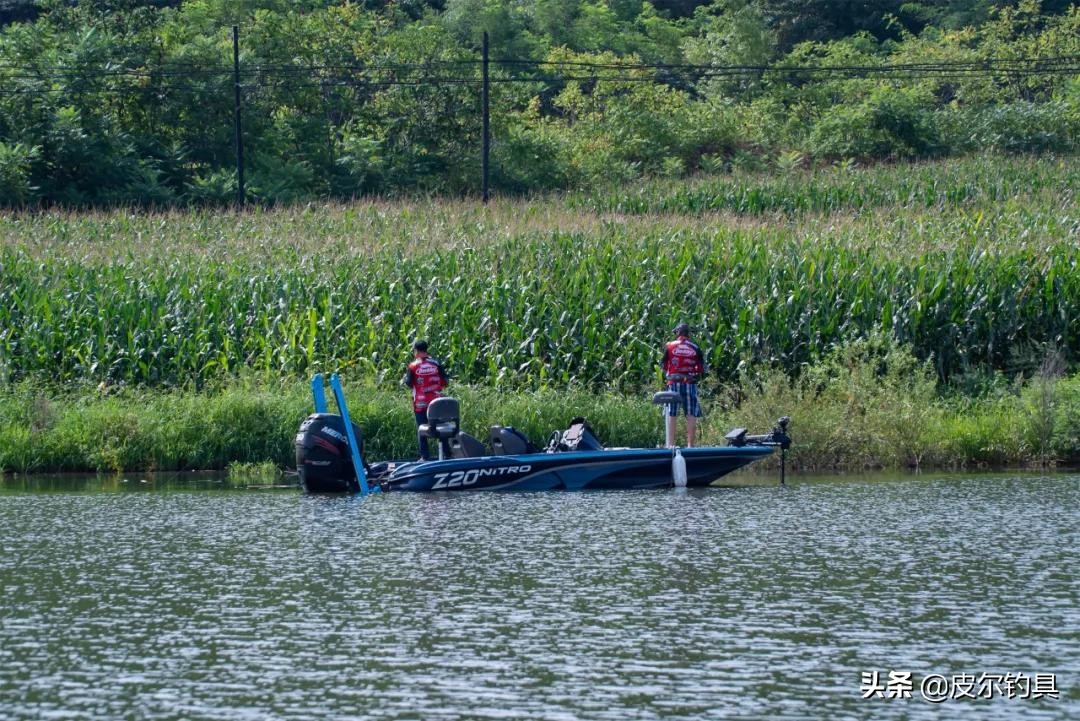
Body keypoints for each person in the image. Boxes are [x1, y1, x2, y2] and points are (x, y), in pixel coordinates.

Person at [661, 322, 705, 448]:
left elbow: (663, 366)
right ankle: (690, 445)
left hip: (674, 382)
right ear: (688, 334)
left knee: (672, 412)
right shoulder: (695, 347)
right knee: (691, 413)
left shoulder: (669, 346)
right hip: (689, 382)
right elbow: (701, 368)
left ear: (678, 333)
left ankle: (670, 445)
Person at [403, 339, 448, 460]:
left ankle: (424, 457)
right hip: (436, 402)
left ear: (416, 351)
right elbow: (445, 381)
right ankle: (447, 455)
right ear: (426, 350)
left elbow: (408, 383)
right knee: (441, 428)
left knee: (421, 429)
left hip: (420, 403)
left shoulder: (412, 366)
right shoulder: (436, 363)